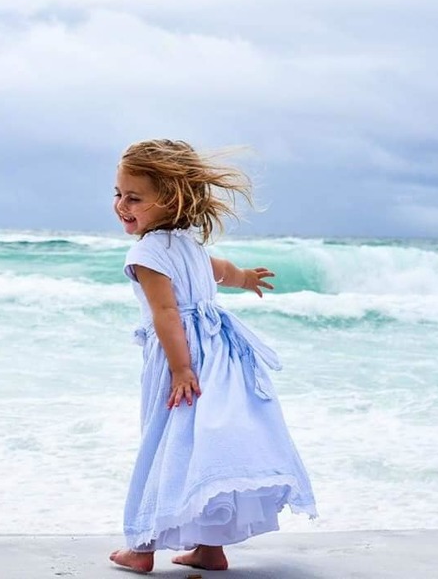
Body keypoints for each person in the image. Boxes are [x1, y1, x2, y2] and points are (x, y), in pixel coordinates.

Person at [109, 139, 317, 573]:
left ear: (171, 201)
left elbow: (166, 313)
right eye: (118, 194)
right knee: (200, 446)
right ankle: (209, 547)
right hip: (219, 355)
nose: (121, 205)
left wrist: (180, 368)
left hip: (181, 358)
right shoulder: (187, 245)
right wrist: (246, 278)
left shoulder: (145, 253)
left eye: (134, 198)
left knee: (164, 443)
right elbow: (220, 271)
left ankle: (142, 546)